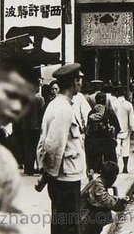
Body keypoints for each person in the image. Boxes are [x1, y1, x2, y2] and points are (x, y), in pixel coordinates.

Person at [0, 51, 39, 233]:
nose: (17, 107)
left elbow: (14, 221)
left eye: (26, 102)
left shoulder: (3, 161)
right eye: (11, 94)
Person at [36, 63, 87, 234]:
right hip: (65, 178)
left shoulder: (56, 105)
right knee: (69, 228)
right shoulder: (64, 109)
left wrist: (45, 173)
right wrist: (47, 174)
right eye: (79, 79)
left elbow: (44, 143)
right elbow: (53, 145)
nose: (81, 83)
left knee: (61, 226)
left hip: (62, 175)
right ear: (74, 82)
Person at [80, 161, 129, 234]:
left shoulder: (98, 182)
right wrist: (119, 202)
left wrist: (120, 200)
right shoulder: (97, 184)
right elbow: (105, 200)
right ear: (113, 178)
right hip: (84, 218)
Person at [85, 92, 119, 177]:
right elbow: (117, 126)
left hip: (95, 142)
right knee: (109, 161)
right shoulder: (109, 112)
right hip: (107, 141)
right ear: (106, 101)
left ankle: (92, 172)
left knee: (94, 161)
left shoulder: (91, 112)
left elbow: (88, 128)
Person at [19, 82, 45, 175]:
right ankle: (35, 167)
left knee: (27, 147)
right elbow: (42, 113)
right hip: (36, 127)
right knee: (35, 147)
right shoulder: (40, 99)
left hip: (25, 126)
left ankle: (28, 169)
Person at [112, 86, 134, 173]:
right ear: (124, 94)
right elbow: (131, 118)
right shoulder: (128, 105)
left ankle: (116, 167)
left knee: (116, 148)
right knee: (126, 149)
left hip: (115, 129)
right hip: (125, 129)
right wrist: (133, 129)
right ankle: (125, 167)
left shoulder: (113, 104)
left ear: (116, 94)